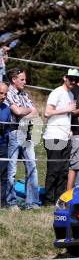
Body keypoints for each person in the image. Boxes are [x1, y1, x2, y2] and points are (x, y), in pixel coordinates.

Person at [42, 69, 78, 205]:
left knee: (63, 171)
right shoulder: (56, 92)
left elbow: (66, 116)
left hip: (65, 137)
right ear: (65, 78)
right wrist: (67, 110)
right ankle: (48, 201)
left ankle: (58, 200)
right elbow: (47, 112)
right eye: (71, 79)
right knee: (53, 170)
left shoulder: (70, 94)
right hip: (53, 136)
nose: (73, 81)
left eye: (76, 79)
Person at [6, 68, 40, 210]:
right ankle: (12, 202)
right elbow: (17, 111)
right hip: (15, 133)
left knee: (32, 167)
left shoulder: (24, 94)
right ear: (14, 80)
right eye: (22, 79)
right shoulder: (8, 93)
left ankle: (32, 202)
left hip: (27, 133)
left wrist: (24, 111)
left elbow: (36, 112)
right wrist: (27, 110)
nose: (25, 82)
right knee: (12, 169)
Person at [0, 83, 11, 208]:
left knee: (3, 176)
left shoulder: (6, 109)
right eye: (1, 93)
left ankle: (2, 203)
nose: (3, 96)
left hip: (3, 145)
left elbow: (8, 128)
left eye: (5, 94)